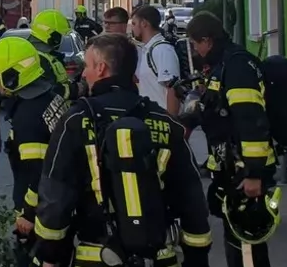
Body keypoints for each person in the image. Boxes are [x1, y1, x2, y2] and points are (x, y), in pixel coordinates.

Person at [33, 34, 213, 267]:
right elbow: (191, 198)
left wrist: (49, 255)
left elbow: (55, 196)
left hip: (98, 258)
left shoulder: (76, 120)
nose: (84, 74)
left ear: (101, 68)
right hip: (159, 257)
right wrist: (197, 257)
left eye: (87, 66)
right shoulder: (163, 121)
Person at [184, 13, 281, 267]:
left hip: (244, 172)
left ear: (207, 40)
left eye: (195, 44)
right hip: (231, 169)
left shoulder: (237, 67)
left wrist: (253, 173)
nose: (195, 50)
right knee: (235, 241)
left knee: (246, 244)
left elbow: (251, 122)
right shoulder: (223, 64)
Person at [0, 35, 67, 254]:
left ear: (12, 77)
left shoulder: (27, 118)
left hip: (40, 210)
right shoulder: (47, 96)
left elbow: (37, 172)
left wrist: (28, 215)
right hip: (59, 200)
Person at [130, 6, 181, 116]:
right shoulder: (147, 49)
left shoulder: (162, 49)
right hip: (151, 119)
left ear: (144, 23)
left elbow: (173, 89)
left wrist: (171, 123)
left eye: (134, 24)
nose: (132, 29)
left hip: (162, 121)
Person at [29, 9, 73, 100]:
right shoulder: (39, 59)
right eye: (60, 35)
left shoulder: (46, 56)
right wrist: (75, 89)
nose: (61, 40)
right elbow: (50, 91)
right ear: (51, 35)